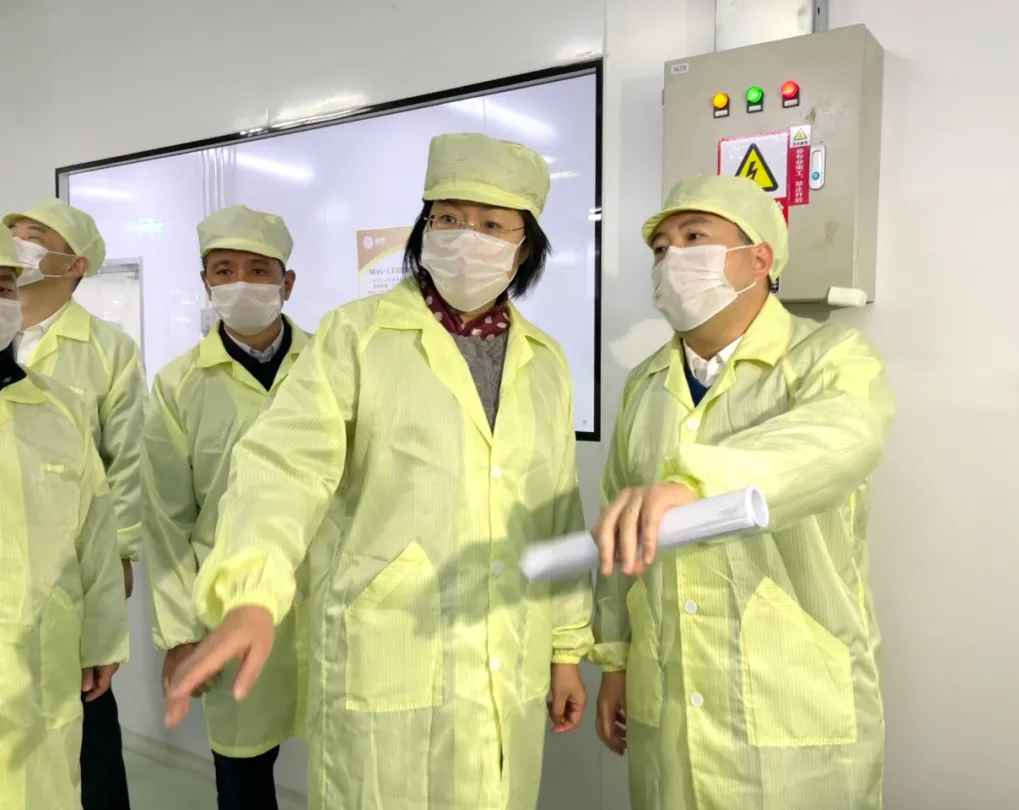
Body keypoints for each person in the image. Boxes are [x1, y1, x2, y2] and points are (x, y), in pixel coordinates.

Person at [163, 132, 593, 810]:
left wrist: (566, 647)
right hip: (390, 647)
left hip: (508, 652)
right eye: (448, 218)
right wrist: (251, 590)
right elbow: (284, 465)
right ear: (424, 228)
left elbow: (557, 509)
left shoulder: (547, 361)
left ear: (525, 246)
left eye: (490, 225)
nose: (465, 238)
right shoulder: (355, 335)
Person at [589, 175, 895, 810]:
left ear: (760, 259)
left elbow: (839, 438)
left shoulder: (830, 358)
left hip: (793, 696)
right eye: (660, 247)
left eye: (694, 237)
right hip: (668, 695)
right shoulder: (645, 386)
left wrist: (694, 484)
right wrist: (615, 661)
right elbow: (620, 536)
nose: (672, 258)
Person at [141, 205, 307, 810]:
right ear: (205, 283)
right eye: (224, 270)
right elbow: (167, 518)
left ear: (288, 282)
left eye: (258, 270)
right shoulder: (179, 384)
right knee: (243, 771)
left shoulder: (332, 365)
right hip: (230, 603)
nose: (241, 283)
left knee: (348, 762)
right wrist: (180, 635)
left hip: (326, 597)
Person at [4, 198, 145, 809]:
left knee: (84, 711)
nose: (21, 244)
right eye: (15, 234)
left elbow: (125, 461)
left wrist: (122, 553)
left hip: (65, 558)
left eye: (36, 237)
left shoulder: (106, 348)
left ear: (76, 263)